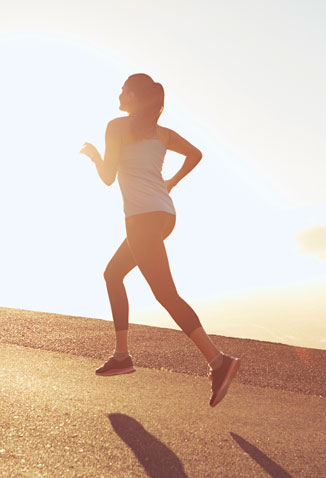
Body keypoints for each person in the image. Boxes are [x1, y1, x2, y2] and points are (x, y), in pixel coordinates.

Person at [80, 73, 241, 407]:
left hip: (141, 219)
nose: (119, 93)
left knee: (165, 294)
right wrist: (171, 182)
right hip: (163, 215)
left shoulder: (116, 127)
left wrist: (95, 156)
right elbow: (195, 154)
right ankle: (122, 355)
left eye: (125, 90)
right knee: (113, 274)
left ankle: (218, 361)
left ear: (136, 97)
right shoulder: (161, 133)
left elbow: (108, 178)